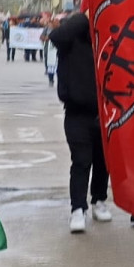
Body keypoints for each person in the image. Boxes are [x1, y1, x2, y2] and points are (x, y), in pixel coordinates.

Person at [50, 12, 113, 233]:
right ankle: (78, 208)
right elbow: (56, 37)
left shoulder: (106, 38)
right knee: (81, 160)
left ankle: (98, 200)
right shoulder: (72, 36)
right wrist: (85, 16)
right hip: (76, 112)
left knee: (102, 160)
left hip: (104, 112)